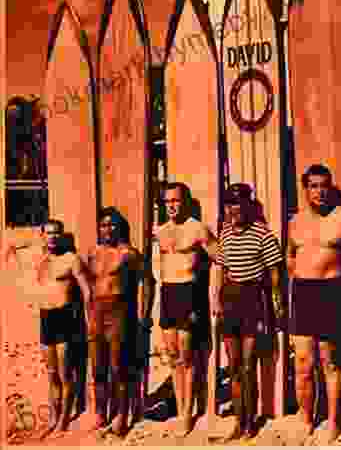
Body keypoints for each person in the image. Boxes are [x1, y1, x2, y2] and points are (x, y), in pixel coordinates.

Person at [286, 164, 341, 443]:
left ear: (330, 188)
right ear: (305, 189)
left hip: (333, 290)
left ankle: (333, 421)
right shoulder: (295, 221)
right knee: (303, 363)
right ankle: (306, 419)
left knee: (330, 362)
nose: (319, 191)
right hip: (303, 292)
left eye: (323, 185)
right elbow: (290, 257)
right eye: (313, 186)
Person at [4, 220, 93, 438]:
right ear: (42, 235)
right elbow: (11, 246)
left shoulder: (71, 259)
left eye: (57, 233)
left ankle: (63, 421)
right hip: (46, 319)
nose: (53, 237)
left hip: (65, 320)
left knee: (65, 375)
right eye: (49, 233)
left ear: (62, 236)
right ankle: (52, 419)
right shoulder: (39, 260)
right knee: (51, 374)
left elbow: (87, 292)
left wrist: (88, 323)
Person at [211, 183, 285, 440]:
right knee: (233, 367)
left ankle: (250, 424)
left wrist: (276, 306)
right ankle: (238, 422)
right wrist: (216, 300)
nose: (235, 209)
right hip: (230, 300)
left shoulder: (263, 234)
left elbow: (275, 274)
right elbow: (220, 269)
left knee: (247, 365)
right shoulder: (225, 234)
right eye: (231, 204)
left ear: (249, 206)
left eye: (240, 203)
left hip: (253, 299)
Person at [83, 208, 154, 436]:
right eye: (104, 225)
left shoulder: (128, 253)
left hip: (119, 311)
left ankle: (122, 415)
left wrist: (144, 315)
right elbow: (84, 283)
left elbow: (147, 281)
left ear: (120, 227)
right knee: (97, 367)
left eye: (112, 225)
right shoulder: (92, 252)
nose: (108, 229)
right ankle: (100, 413)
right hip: (95, 312)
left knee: (119, 367)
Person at [155, 182, 218, 436]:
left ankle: (186, 413)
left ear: (186, 202)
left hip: (190, 293)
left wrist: (213, 293)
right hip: (168, 292)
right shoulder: (160, 231)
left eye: (176, 201)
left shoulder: (198, 228)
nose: (171, 206)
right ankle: (181, 406)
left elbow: (219, 259)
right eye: (167, 201)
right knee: (172, 356)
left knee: (186, 356)